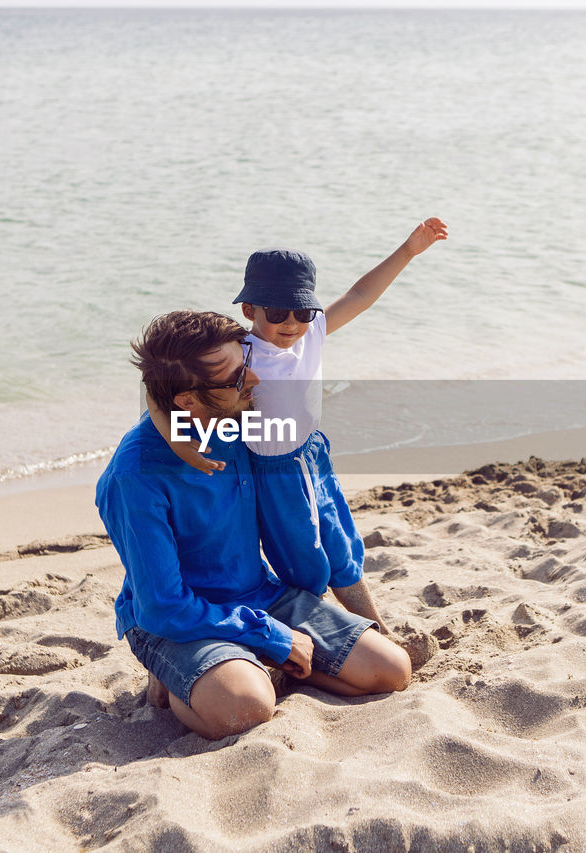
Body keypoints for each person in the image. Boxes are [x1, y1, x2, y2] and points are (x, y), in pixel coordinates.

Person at [96, 310, 411, 741]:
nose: (255, 381)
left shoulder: (246, 420)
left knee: (391, 670)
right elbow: (163, 606)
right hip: (174, 621)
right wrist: (275, 638)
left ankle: (257, 669)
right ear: (186, 400)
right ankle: (181, 681)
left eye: (247, 365)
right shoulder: (133, 477)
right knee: (245, 707)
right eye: (238, 377)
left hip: (260, 595)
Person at [151, 218, 447, 626]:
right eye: (277, 311)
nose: (291, 322)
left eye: (303, 310)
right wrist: (180, 442)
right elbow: (156, 386)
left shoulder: (313, 333)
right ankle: (318, 633)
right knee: (303, 560)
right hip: (271, 471)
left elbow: (361, 294)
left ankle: (375, 629)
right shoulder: (239, 350)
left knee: (340, 544)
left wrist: (409, 250)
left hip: (313, 453)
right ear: (249, 309)